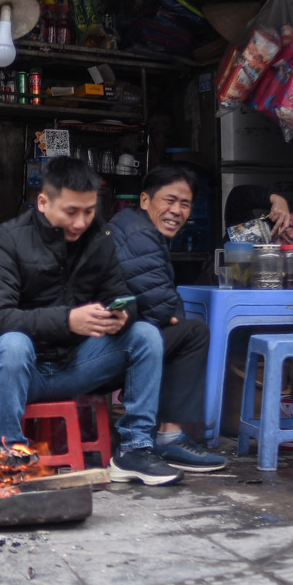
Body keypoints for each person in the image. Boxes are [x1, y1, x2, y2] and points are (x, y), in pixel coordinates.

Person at [0, 156, 181, 485]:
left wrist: (121, 316)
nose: (82, 222)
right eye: (71, 212)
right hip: (9, 375)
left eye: (89, 210)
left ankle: (136, 450)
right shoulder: (7, 241)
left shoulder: (99, 239)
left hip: (76, 365)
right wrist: (68, 320)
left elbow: (119, 294)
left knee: (144, 335)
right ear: (43, 202)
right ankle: (9, 453)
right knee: (14, 344)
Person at [108, 164, 227, 472]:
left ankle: (166, 432)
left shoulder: (133, 226)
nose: (176, 210)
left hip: (106, 342)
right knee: (194, 334)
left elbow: (159, 300)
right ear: (145, 200)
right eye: (169, 200)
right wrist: (168, 313)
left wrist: (167, 311)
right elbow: (161, 307)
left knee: (180, 330)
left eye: (184, 204)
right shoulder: (138, 234)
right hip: (102, 349)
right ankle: (169, 436)